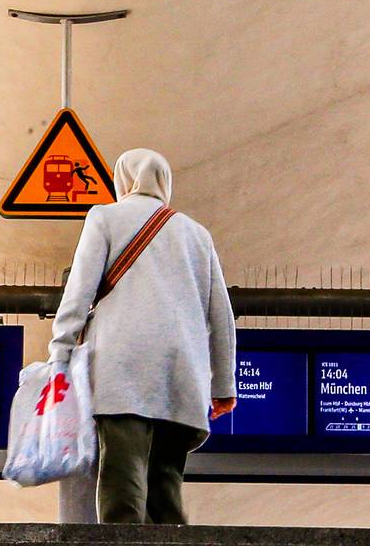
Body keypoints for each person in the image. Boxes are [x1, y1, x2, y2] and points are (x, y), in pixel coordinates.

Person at [46, 149, 235, 525]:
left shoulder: (105, 217)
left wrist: (60, 354)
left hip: (122, 367)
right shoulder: (197, 234)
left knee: (122, 478)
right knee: (166, 485)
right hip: (182, 374)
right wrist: (223, 386)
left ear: (123, 179)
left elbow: (79, 293)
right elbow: (221, 317)